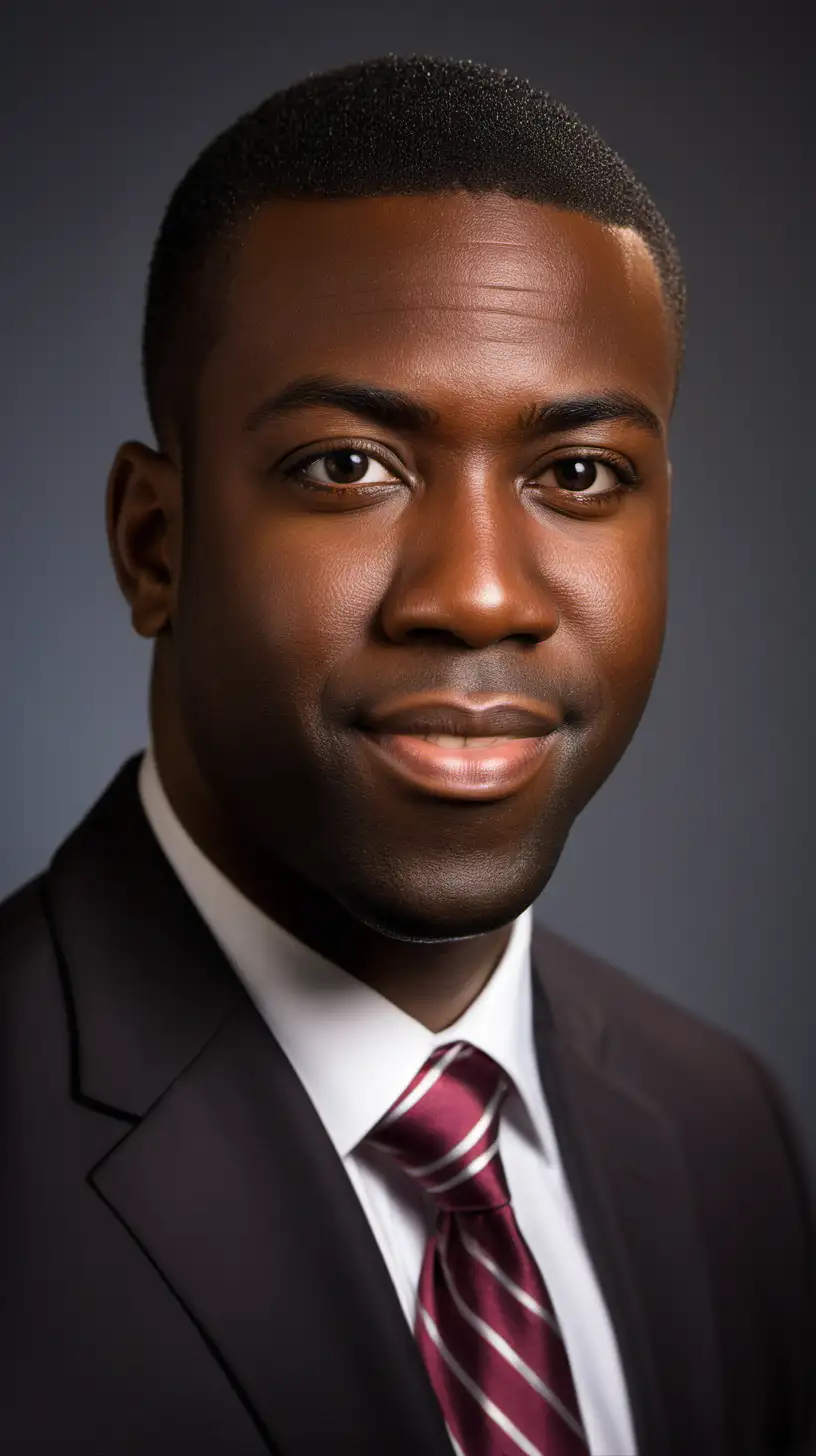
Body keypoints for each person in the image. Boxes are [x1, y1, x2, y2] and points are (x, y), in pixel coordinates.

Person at [0, 53, 812, 1456]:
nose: (480, 593)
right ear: (154, 542)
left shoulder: (725, 1127)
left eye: (578, 476)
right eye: (347, 467)